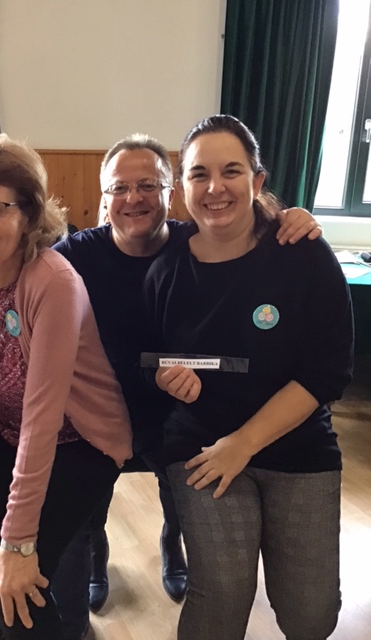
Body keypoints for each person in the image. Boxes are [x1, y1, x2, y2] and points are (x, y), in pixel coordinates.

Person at [0, 133, 322, 639]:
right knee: (61, 547)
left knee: (178, 499)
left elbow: (246, 243)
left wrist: (285, 218)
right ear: (103, 198)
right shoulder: (71, 256)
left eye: (148, 185)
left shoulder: (197, 247)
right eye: (119, 188)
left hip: (169, 412)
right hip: (88, 408)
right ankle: (91, 562)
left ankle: (171, 544)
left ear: (171, 191)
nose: (133, 198)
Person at [141, 115, 354, 640]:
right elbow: (151, 360)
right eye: (199, 174)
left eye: (231, 171)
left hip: (298, 447)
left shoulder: (303, 254)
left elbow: (328, 373)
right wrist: (166, 378)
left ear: (257, 181)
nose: (215, 188)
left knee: (311, 615)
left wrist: (243, 443)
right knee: (221, 597)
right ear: (181, 188)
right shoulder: (165, 271)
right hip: (200, 449)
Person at [0, 130, 132, 640]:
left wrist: (16, 543)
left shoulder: (52, 282)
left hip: (81, 443)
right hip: (10, 436)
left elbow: (44, 415)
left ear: (28, 214)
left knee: (16, 592)